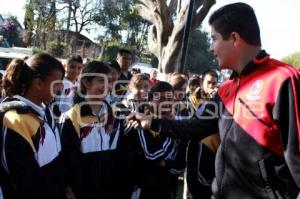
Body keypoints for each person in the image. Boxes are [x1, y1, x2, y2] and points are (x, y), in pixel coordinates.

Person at [129, 3, 300, 198]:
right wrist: (152, 122)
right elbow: (197, 127)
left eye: (213, 39)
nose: (210, 48)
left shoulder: (283, 79)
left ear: (234, 38)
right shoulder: (226, 88)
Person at [0, 53, 65, 199]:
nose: (60, 89)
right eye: (57, 83)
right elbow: (22, 183)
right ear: (38, 83)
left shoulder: (46, 112)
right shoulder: (14, 121)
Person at [59, 61, 122, 199]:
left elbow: (120, 156)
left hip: (110, 190)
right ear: (87, 83)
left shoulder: (116, 115)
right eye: (101, 81)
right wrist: (69, 188)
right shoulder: (71, 117)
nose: (108, 86)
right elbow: (67, 160)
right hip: (81, 191)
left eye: (110, 81)